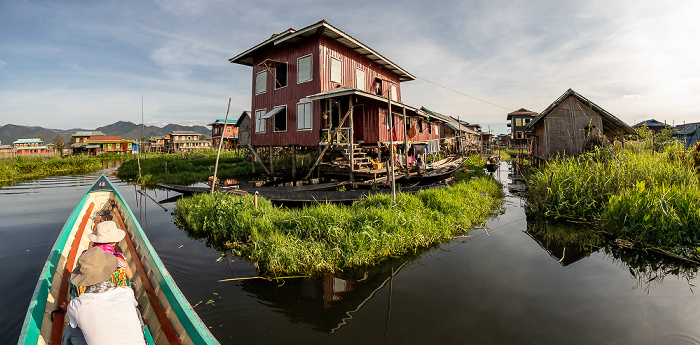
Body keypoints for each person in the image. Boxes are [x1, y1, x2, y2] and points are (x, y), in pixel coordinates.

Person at [63, 247, 146, 345]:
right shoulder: (126, 292)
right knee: (134, 311)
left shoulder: (76, 305)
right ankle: (143, 332)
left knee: (71, 331)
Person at [72, 221, 132, 297]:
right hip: (115, 294)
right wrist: (130, 281)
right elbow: (129, 274)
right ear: (113, 241)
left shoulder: (85, 256)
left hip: (89, 295)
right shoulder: (118, 258)